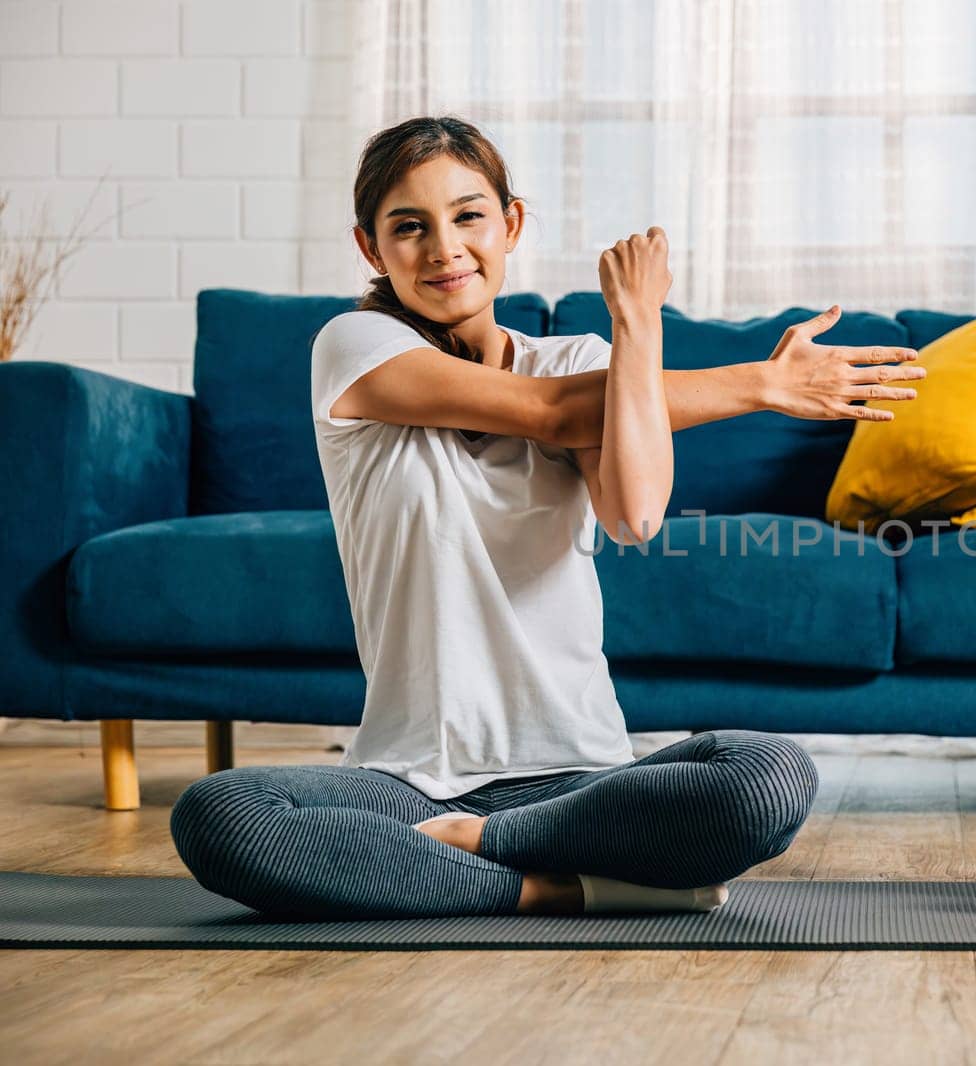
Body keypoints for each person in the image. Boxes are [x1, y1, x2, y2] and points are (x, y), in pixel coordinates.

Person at [169, 114, 926, 920]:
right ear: (371, 250)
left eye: (468, 216)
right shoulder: (354, 345)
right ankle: (559, 886)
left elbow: (636, 515)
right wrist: (763, 384)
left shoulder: (583, 361)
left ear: (511, 223)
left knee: (767, 773)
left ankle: (471, 855)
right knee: (224, 817)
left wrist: (637, 324)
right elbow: (550, 413)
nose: (443, 249)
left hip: (583, 779)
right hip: (409, 782)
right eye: (409, 227)